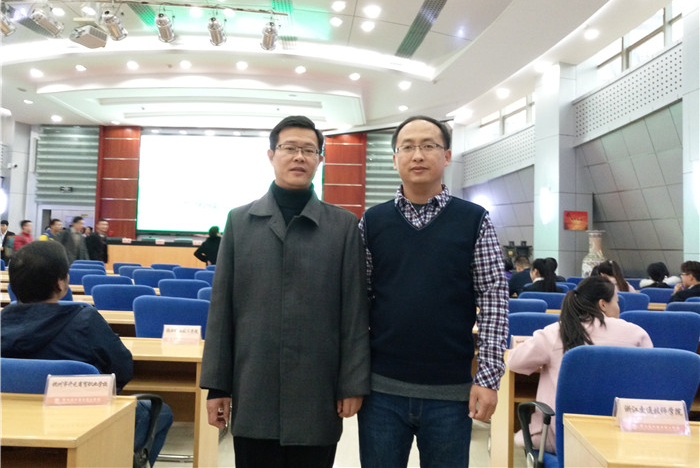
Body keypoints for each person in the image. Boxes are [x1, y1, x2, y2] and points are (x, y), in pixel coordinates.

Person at [200, 115, 370, 468]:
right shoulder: (240, 221)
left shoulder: (342, 226)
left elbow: (354, 312)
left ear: (320, 159)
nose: (299, 157)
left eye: (309, 150)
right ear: (271, 155)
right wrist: (218, 387)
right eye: (290, 148)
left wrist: (352, 383)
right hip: (253, 384)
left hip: (317, 388)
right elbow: (222, 309)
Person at [357, 115, 509, 468]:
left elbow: (493, 298)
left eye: (428, 145)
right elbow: (358, 302)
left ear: (447, 155)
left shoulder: (474, 219)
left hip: (451, 392)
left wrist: (488, 378)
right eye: (407, 147)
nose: (418, 155)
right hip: (381, 391)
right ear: (395, 158)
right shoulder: (372, 222)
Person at [0, 241, 173, 467]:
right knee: (162, 412)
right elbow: (122, 369)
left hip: (10, 424)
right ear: (61, 283)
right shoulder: (85, 320)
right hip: (83, 426)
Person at [508, 275, 652, 453]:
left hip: (561, 440)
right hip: (622, 438)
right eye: (616, 301)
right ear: (603, 304)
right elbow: (648, 379)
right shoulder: (636, 334)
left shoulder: (557, 332)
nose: (618, 307)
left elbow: (514, 362)